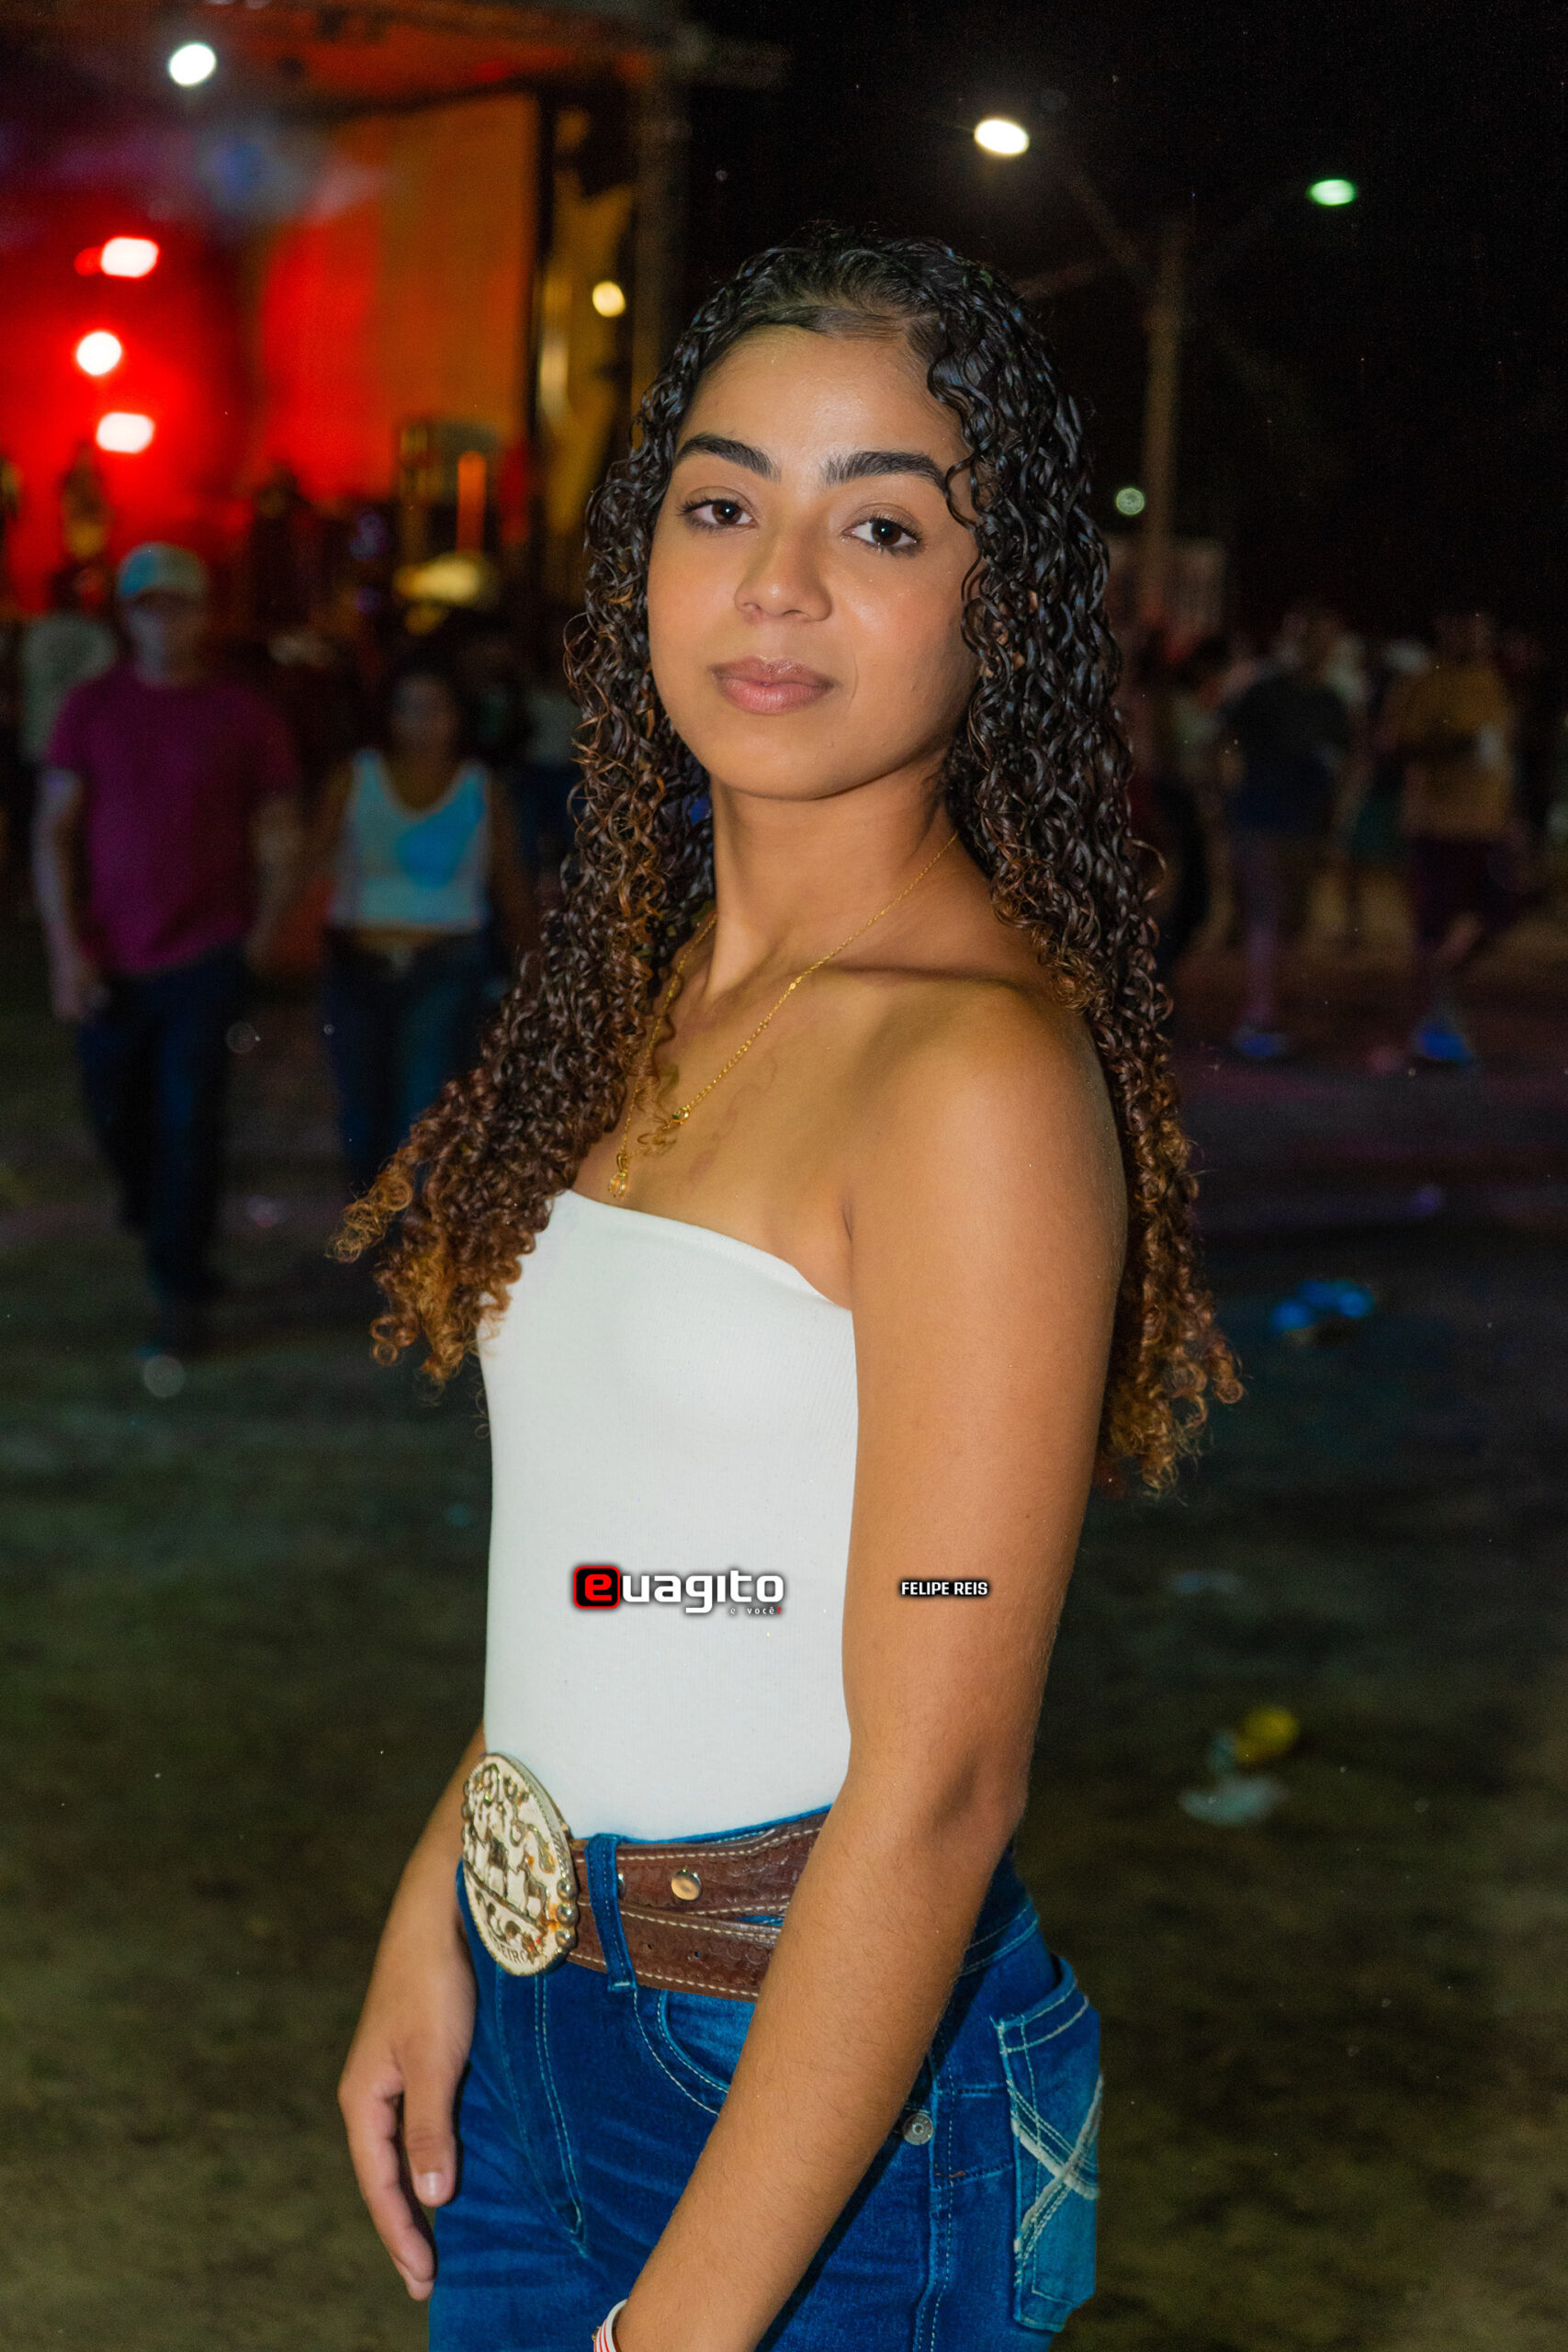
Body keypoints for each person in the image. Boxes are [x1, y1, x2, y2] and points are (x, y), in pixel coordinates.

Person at [333, 228, 1238, 2352]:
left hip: (818, 2084)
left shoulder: (969, 1071)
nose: (776, 584)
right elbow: (621, 1560)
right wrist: (447, 1894)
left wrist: (690, 2317)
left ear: (998, 607)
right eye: (722, 504)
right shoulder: (652, 996)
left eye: (881, 525)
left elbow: (937, 1783)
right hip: (538, 2020)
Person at [32, 542, 302, 1354]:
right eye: (148, 606)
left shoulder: (239, 713)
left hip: (205, 950)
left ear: (202, 615)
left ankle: (179, 1291)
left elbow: (278, 827)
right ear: (126, 616)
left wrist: (263, 931)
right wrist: (66, 949)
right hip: (113, 951)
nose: (163, 622)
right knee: (116, 1114)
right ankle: (163, 1228)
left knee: (189, 1121)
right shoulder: (90, 709)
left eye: (178, 605)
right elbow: (55, 830)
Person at [310, 656, 538, 1193]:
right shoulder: (355, 778)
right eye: (408, 709)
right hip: (357, 965)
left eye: (435, 709)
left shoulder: (480, 788)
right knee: (361, 1109)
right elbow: (310, 860)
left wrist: (532, 967)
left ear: (459, 716)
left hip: (446, 966)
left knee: (418, 1109)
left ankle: (400, 1234)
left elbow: (509, 884)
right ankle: (368, 1220)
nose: (422, 724)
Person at [1219, 605, 1353, 1059]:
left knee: (1293, 917)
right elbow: (1222, 740)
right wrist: (1226, 798)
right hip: (1260, 817)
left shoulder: (1330, 701)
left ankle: (1271, 1010)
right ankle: (1259, 1015)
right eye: (1310, 636)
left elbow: (1346, 760)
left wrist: (1335, 816)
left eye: (1326, 638)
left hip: (1305, 822)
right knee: (1268, 912)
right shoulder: (1264, 691)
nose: (1318, 647)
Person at [1394, 610, 1518, 1067]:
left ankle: (1436, 992)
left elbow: (1502, 754)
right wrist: (1456, 745)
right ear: (1446, 631)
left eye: (1482, 632)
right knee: (1433, 926)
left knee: (1501, 912)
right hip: (1437, 823)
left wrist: (1511, 816)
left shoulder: (1491, 681)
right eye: (1465, 629)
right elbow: (1399, 745)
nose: (1474, 639)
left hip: (1487, 824)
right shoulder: (1425, 682)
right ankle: (1430, 1024)